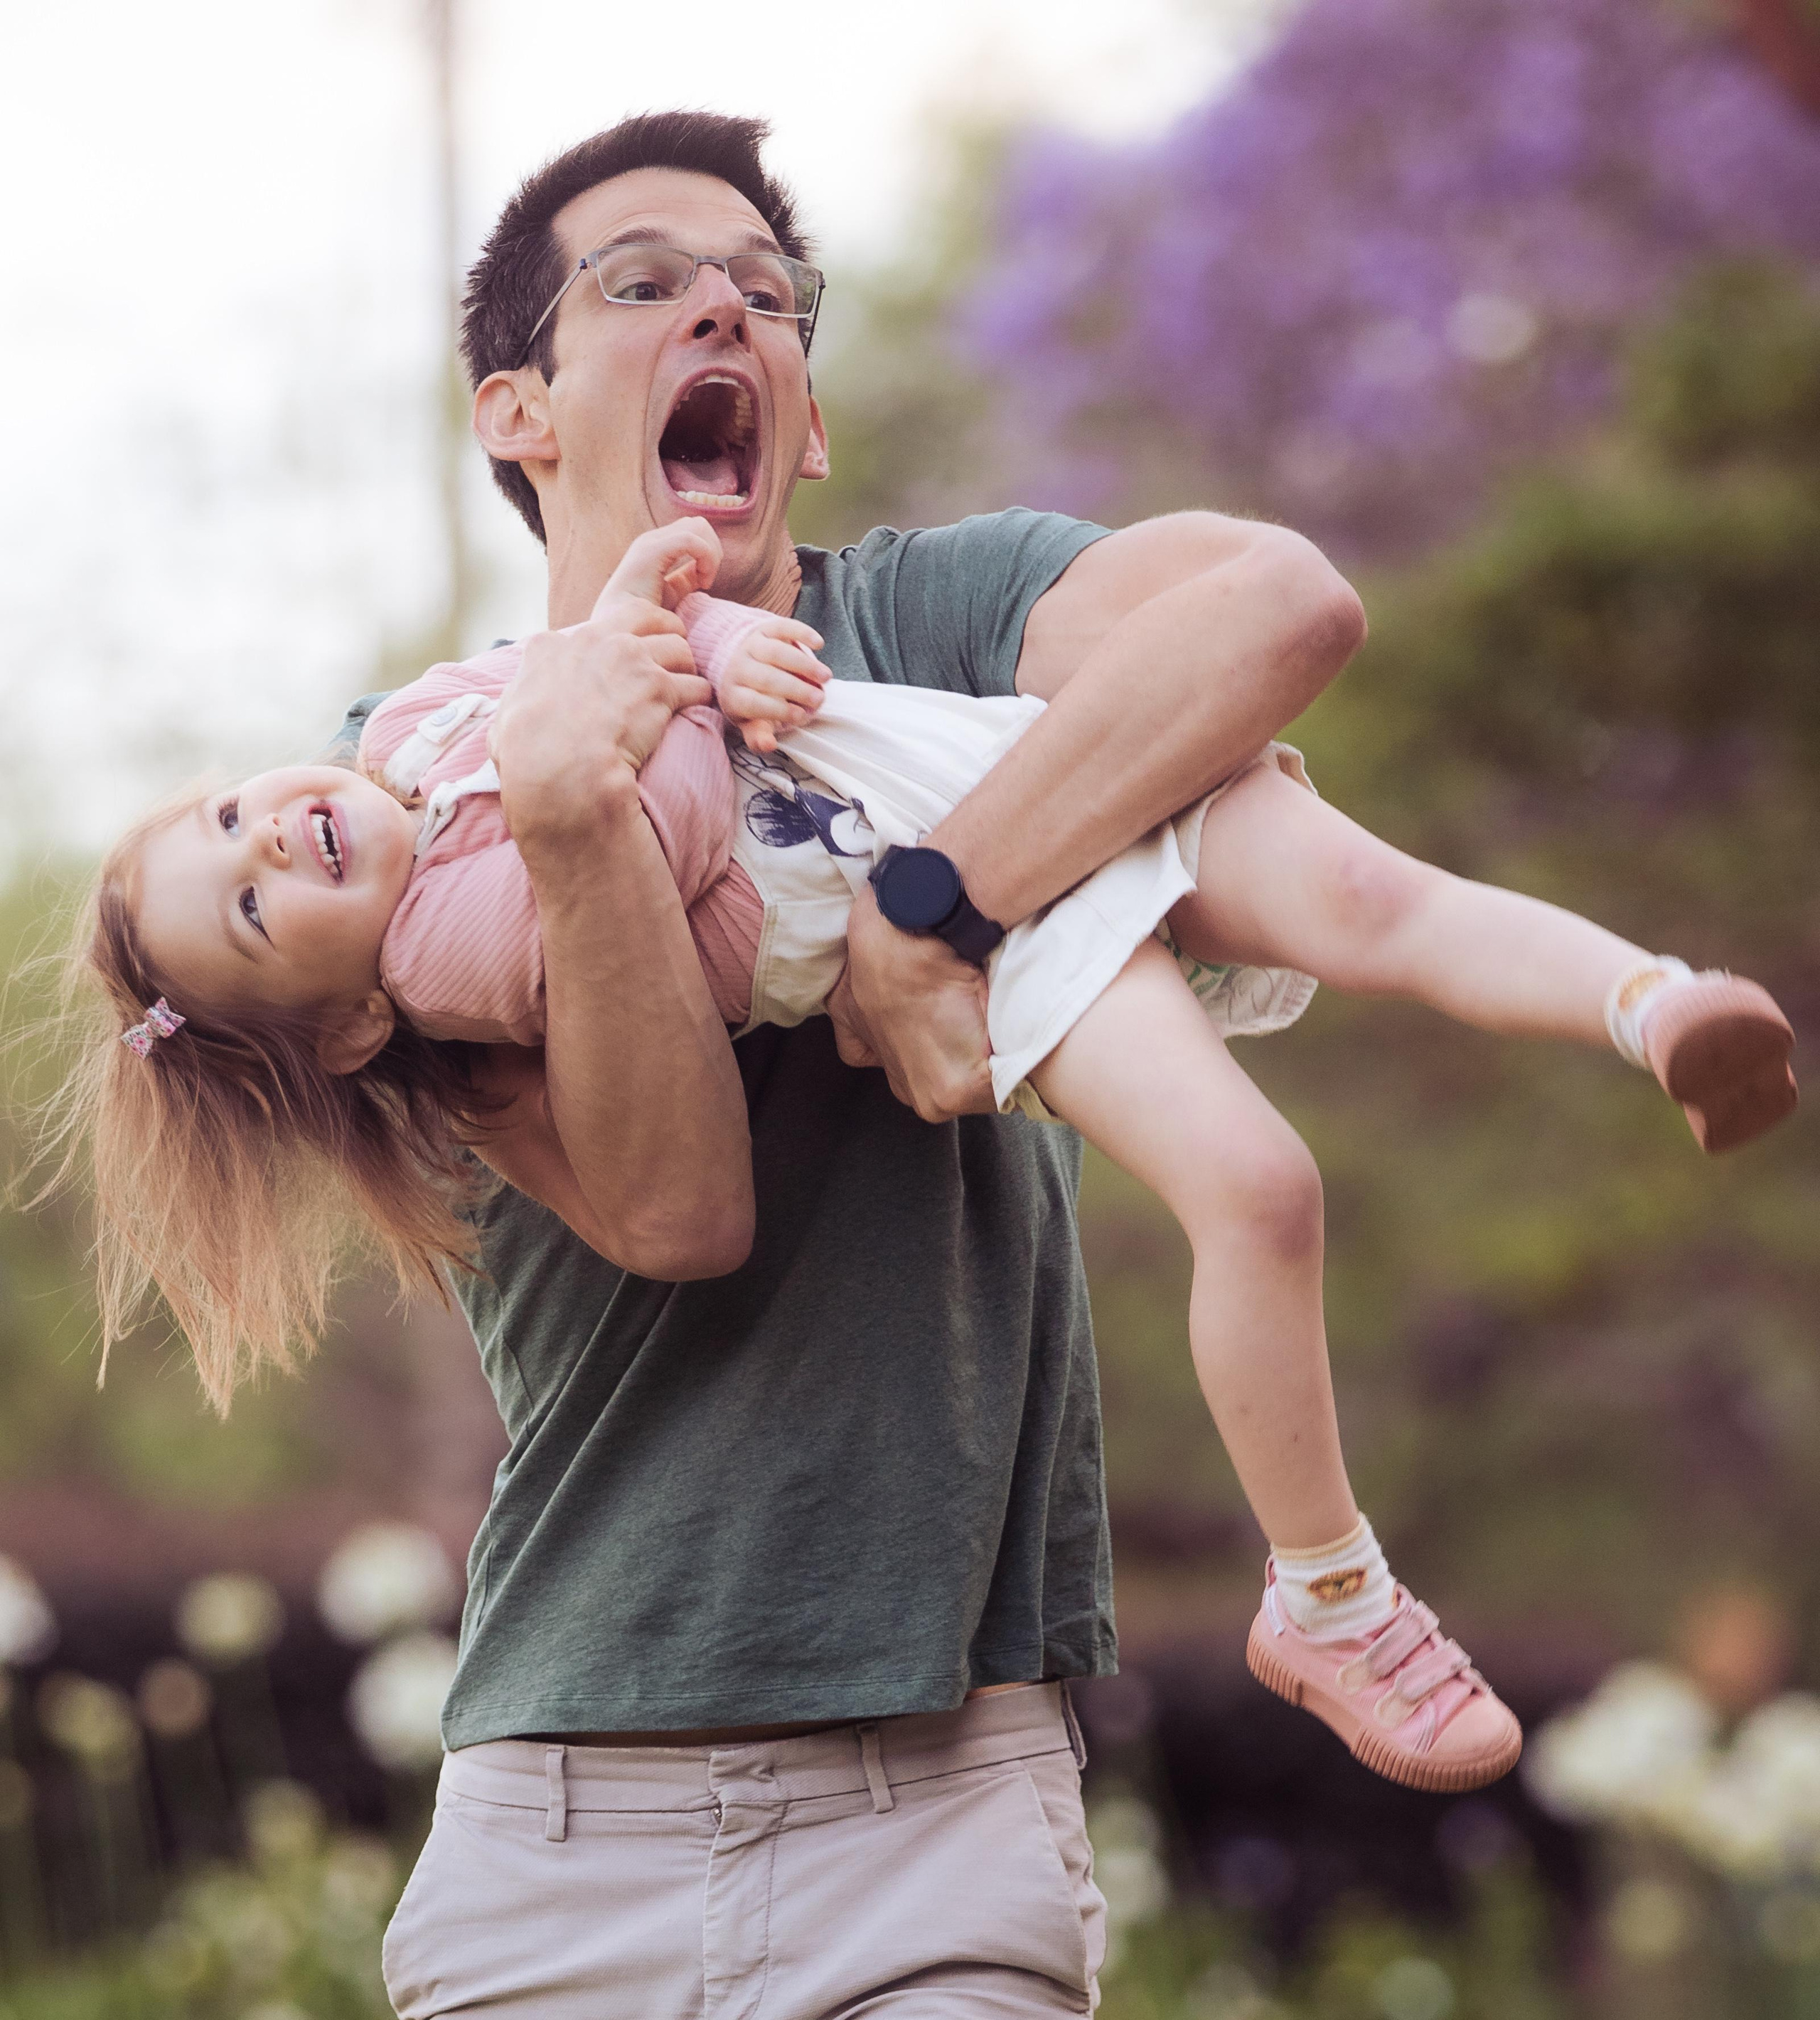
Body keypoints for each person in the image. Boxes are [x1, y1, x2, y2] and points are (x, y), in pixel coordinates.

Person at [46, 110, 1768, 2015]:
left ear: (808, 414)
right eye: (643, 284)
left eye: (768, 294)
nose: (723, 305)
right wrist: (570, 802)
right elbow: (679, 1201)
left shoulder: (948, 625)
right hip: (567, 1823)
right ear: (517, 415)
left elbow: (1283, 609)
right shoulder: (404, 808)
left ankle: (1630, 1013)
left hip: (940, 1805)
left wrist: (932, 905)